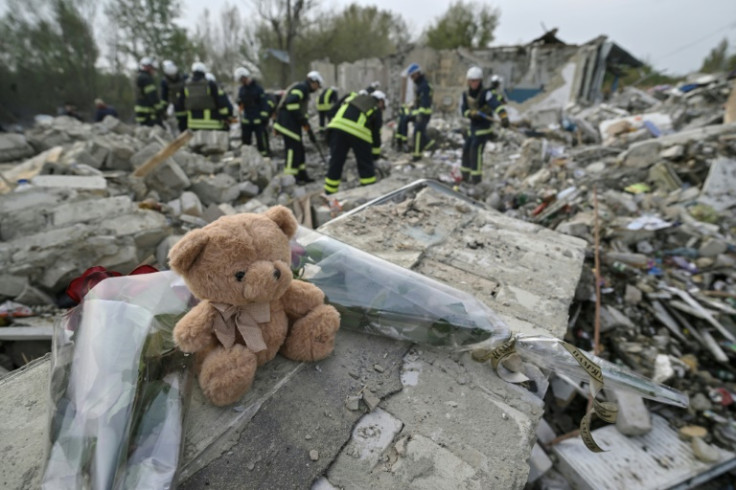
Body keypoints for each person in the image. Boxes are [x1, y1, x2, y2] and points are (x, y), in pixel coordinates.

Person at [323, 90, 386, 195]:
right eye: (383, 106)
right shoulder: (375, 107)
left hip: (337, 128)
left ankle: (330, 192)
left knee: (336, 162)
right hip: (358, 132)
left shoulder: (352, 97)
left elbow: (332, 111)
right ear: (380, 101)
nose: (382, 108)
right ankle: (369, 191)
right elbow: (376, 134)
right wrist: (375, 155)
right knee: (365, 164)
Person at [459, 66, 509, 185]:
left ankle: (476, 179)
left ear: (480, 81)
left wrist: (504, 117)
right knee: (467, 149)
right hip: (473, 127)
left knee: (476, 149)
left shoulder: (486, 94)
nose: (474, 83)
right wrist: (471, 114)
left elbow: (497, 105)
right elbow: (463, 111)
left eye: (476, 81)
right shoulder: (465, 94)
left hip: (484, 128)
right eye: (472, 81)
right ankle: (465, 176)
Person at [273, 71, 324, 184]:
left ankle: (302, 174)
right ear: (313, 81)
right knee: (292, 149)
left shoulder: (303, 89)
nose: (317, 88)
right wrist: (302, 120)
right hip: (288, 123)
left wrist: (305, 124)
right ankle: (291, 177)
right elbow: (291, 103)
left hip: (292, 123)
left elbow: (299, 109)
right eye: (317, 85)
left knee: (299, 149)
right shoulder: (302, 88)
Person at [182, 62, 232, 131]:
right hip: (214, 125)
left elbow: (181, 105)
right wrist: (225, 119)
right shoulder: (211, 85)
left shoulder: (185, 86)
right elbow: (224, 106)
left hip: (193, 125)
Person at [235, 67, 270, 156]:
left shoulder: (258, 88)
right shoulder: (241, 89)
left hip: (258, 119)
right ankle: (247, 157)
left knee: (261, 140)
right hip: (247, 119)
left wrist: (264, 116)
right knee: (246, 141)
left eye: (243, 79)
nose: (242, 82)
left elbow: (264, 103)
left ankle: (265, 155)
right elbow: (241, 103)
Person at [405, 63, 433, 161]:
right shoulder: (419, 84)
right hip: (421, 113)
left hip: (423, 114)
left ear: (417, 74)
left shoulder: (424, 86)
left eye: (412, 76)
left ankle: (416, 155)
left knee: (417, 133)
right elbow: (419, 101)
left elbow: (424, 104)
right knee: (421, 132)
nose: (412, 78)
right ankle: (431, 145)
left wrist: (416, 113)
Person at [135, 57, 164, 127]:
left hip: (141, 113)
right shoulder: (146, 79)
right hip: (148, 114)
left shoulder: (140, 77)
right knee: (160, 130)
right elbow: (152, 96)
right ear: (148, 67)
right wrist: (160, 110)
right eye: (153, 68)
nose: (154, 71)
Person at [161, 60, 188, 132]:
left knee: (184, 122)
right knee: (181, 123)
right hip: (176, 105)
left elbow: (164, 97)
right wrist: (164, 109)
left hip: (186, 104)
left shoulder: (184, 77)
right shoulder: (165, 82)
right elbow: (164, 97)